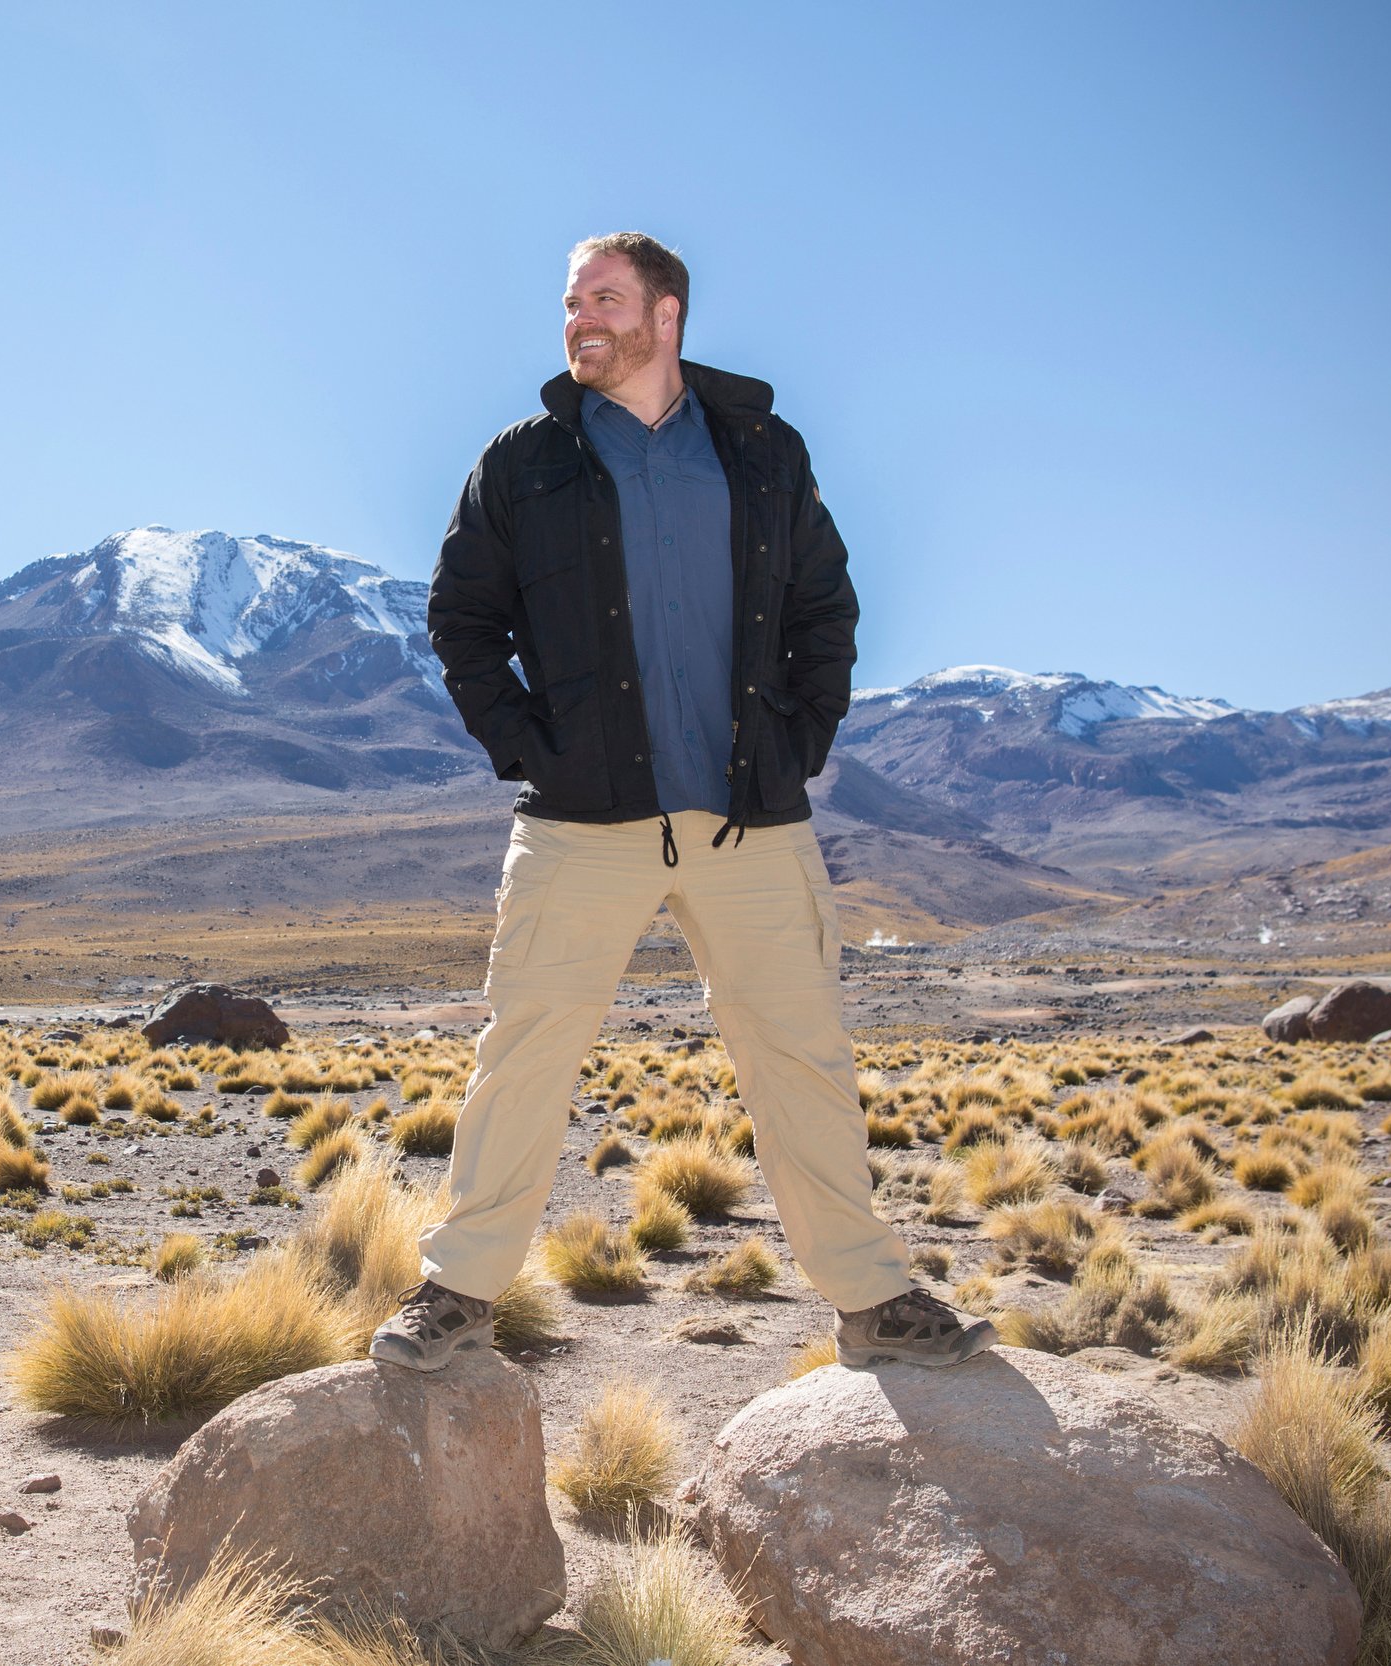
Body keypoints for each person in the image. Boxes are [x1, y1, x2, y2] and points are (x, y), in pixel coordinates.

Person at [369, 231, 995, 1374]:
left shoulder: (760, 452)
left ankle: (873, 1299)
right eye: (569, 303)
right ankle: (457, 1292)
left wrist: (799, 739)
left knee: (799, 1055)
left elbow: (824, 604)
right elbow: (460, 620)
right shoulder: (524, 462)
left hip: (748, 816)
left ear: (667, 316)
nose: (579, 320)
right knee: (524, 1051)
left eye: (603, 298)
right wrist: (529, 750)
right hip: (579, 821)